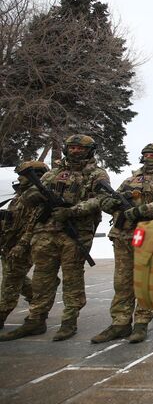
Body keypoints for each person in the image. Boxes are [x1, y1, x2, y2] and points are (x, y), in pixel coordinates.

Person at [0, 135, 109, 342]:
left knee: (72, 277)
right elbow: (30, 196)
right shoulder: (53, 173)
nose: (75, 151)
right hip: (46, 231)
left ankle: (69, 321)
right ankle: (35, 320)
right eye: (72, 147)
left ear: (89, 151)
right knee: (42, 277)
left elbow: (101, 199)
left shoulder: (96, 173)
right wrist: (35, 196)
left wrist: (72, 211)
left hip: (74, 232)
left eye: (80, 148)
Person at [92, 143, 153, 344]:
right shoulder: (131, 179)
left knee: (144, 282)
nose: (148, 158)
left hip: (148, 235)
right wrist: (109, 204)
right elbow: (111, 198)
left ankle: (141, 324)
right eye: (146, 154)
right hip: (122, 235)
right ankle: (120, 323)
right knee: (121, 282)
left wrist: (141, 211)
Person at [0, 161, 49, 329]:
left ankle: (2, 314)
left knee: (11, 280)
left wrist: (21, 245)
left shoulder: (36, 196)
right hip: (9, 244)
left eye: (23, 175)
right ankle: (39, 302)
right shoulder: (21, 194)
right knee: (16, 277)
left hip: (23, 245)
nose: (19, 178)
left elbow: (33, 224)